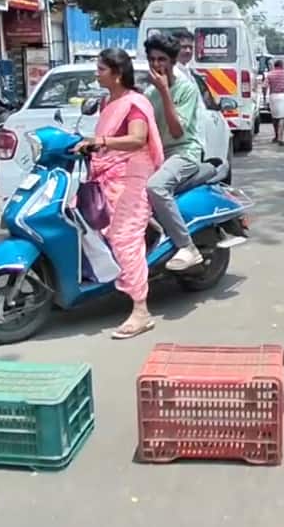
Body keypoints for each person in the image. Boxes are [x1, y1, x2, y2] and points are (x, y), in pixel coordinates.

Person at [71, 48, 164, 339]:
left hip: (131, 175)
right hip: (107, 172)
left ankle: (141, 311)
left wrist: (101, 141)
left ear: (118, 73)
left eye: (101, 69)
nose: (96, 73)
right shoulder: (107, 101)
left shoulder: (134, 103)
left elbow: (137, 139)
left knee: (124, 238)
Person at [144, 33, 208, 272]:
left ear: (172, 62)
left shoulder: (186, 89)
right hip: (157, 154)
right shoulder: (149, 93)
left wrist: (164, 92)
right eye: (152, 59)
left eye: (162, 59)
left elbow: (177, 131)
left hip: (184, 153)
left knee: (155, 187)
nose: (156, 64)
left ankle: (187, 246)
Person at [264, 58, 284, 144]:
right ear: (281, 66)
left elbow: (264, 86)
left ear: (275, 66)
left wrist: (264, 95)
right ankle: (280, 138)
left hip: (273, 96)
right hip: (283, 96)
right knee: (282, 117)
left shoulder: (270, 74)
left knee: (274, 117)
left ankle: (276, 136)